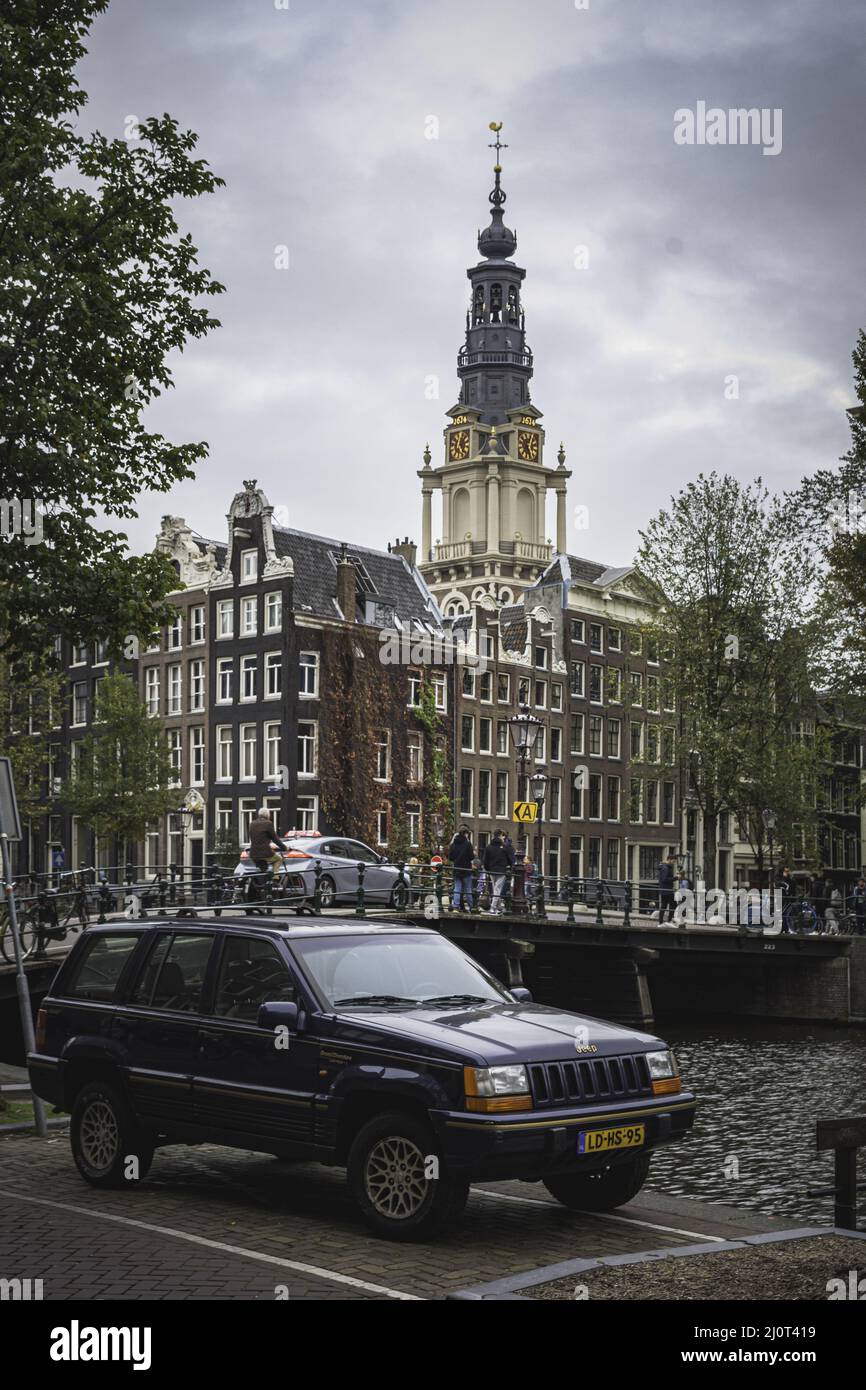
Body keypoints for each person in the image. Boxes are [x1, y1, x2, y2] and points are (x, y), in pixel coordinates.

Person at [248, 809, 286, 887]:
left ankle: (263, 887)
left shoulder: (252, 823)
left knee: (264, 869)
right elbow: (275, 839)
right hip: (264, 852)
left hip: (253, 853)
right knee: (278, 859)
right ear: (268, 815)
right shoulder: (268, 823)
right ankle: (275, 880)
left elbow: (258, 838)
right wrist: (284, 847)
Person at [448, 825, 475, 913]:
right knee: (468, 889)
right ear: (466, 834)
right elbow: (471, 856)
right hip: (466, 869)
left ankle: (456, 906)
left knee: (457, 888)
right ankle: (472, 907)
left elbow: (451, 857)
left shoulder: (454, 843)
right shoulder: (468, 844)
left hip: (457, 868)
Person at [483, 831, 511, 915]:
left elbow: (485, 860)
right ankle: (493, 908)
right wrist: (509, 866)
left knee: (495, 888)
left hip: (491, 871)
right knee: (497, 889)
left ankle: (499, 908)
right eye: (503, 836)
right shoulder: (505, 847)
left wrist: (488, 869)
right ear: (500, 836)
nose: (504, 838)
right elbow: (510, 859)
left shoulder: (488, 847)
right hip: (501, 871)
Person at [657, 856, 676, 923]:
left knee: (663, 906)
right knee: (673, 905)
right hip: (668, 890)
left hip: (664, 890)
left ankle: (661, 922)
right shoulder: (666, 868)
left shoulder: (663, 867)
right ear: (669, 859)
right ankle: (669, 921)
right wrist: (675, 878)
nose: (674, 863)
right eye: (673, 861)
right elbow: (664, 879)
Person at [775, 865, 793, 932]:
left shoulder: (788, 878)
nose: (787, 872)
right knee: (781, 913)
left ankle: (785, 928)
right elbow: (778, 883)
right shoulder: (779, 877)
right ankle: (780, 928)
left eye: (788, 871)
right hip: (780, 897)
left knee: (786, 913)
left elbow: (790, 885)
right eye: (786, 871)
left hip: (786, 897)